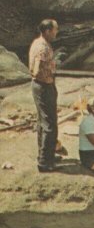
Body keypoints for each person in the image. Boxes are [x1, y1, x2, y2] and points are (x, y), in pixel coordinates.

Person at [28, 19, 60, 172]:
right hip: (43, 86)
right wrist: (47, 81)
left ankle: (47, 154)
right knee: (49, 125)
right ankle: (44, 161)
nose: (56, 33)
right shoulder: (43, 48)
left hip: (42, 85)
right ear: (47, 31)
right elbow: (36, 69)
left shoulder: (38, 43)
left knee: (43, 122)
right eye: (55, 30)